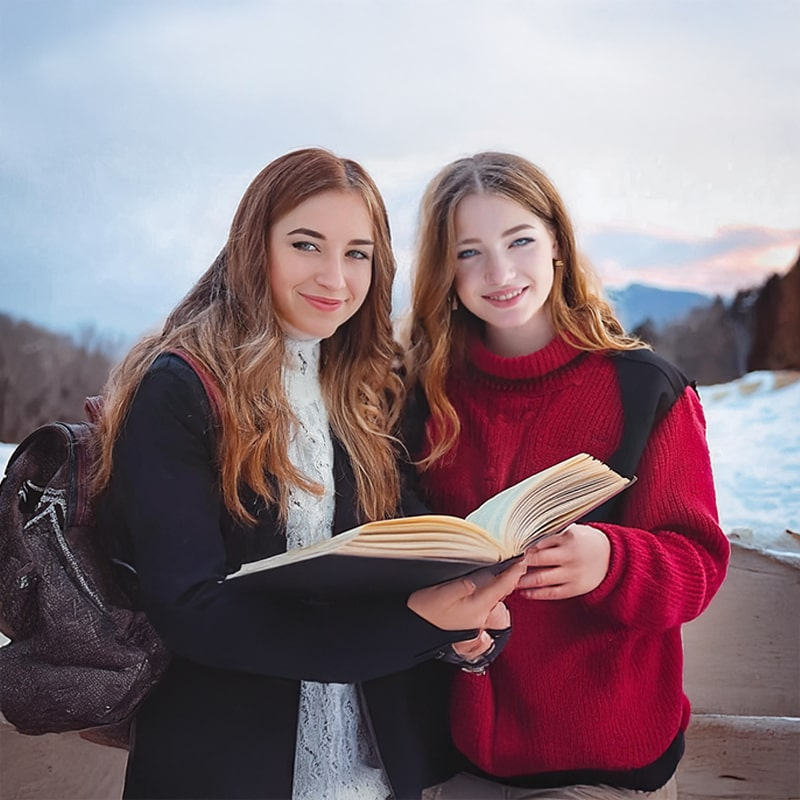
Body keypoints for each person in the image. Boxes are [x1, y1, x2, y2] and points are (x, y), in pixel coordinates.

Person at [91, 147, 524, 800]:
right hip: (225, 767)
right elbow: (192, 608)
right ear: (253, 244)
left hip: (369, 774)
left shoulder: (368, 385)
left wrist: (464, 628)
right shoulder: (180, 387)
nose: (334, 277)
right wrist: (416, 626)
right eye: (305, 244)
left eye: (357, 253)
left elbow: (395, 556)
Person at [403, 151, 731, 799]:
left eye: (519, 240)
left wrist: (612, 559)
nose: (499, 272)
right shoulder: (421, 395)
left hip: (608, 762)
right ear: (444, 270)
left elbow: (698, 567)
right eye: (468, 252)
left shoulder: (645, 389)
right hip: (458, 753)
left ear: (556, 242)